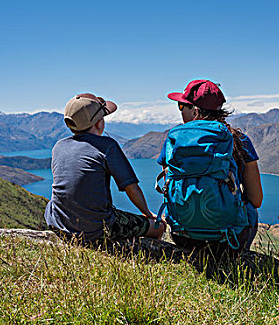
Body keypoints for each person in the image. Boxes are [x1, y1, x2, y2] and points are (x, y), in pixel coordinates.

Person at [157, 80, 263, 253]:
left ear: (195, 111)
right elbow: (256, 199)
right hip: (230, 239)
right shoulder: (239, 140)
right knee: (250, 210)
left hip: (183, 235)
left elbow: (170, 189)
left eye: (182, 106)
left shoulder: (175, 142)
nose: (181, 111)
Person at [45, 93, 164, 245]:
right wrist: (147, 214)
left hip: (59, 224)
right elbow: (131, 187)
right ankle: (152, 251)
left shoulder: (59, 146)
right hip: (97, 229)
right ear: (99, 123)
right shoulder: (107, 146)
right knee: (158, 227)